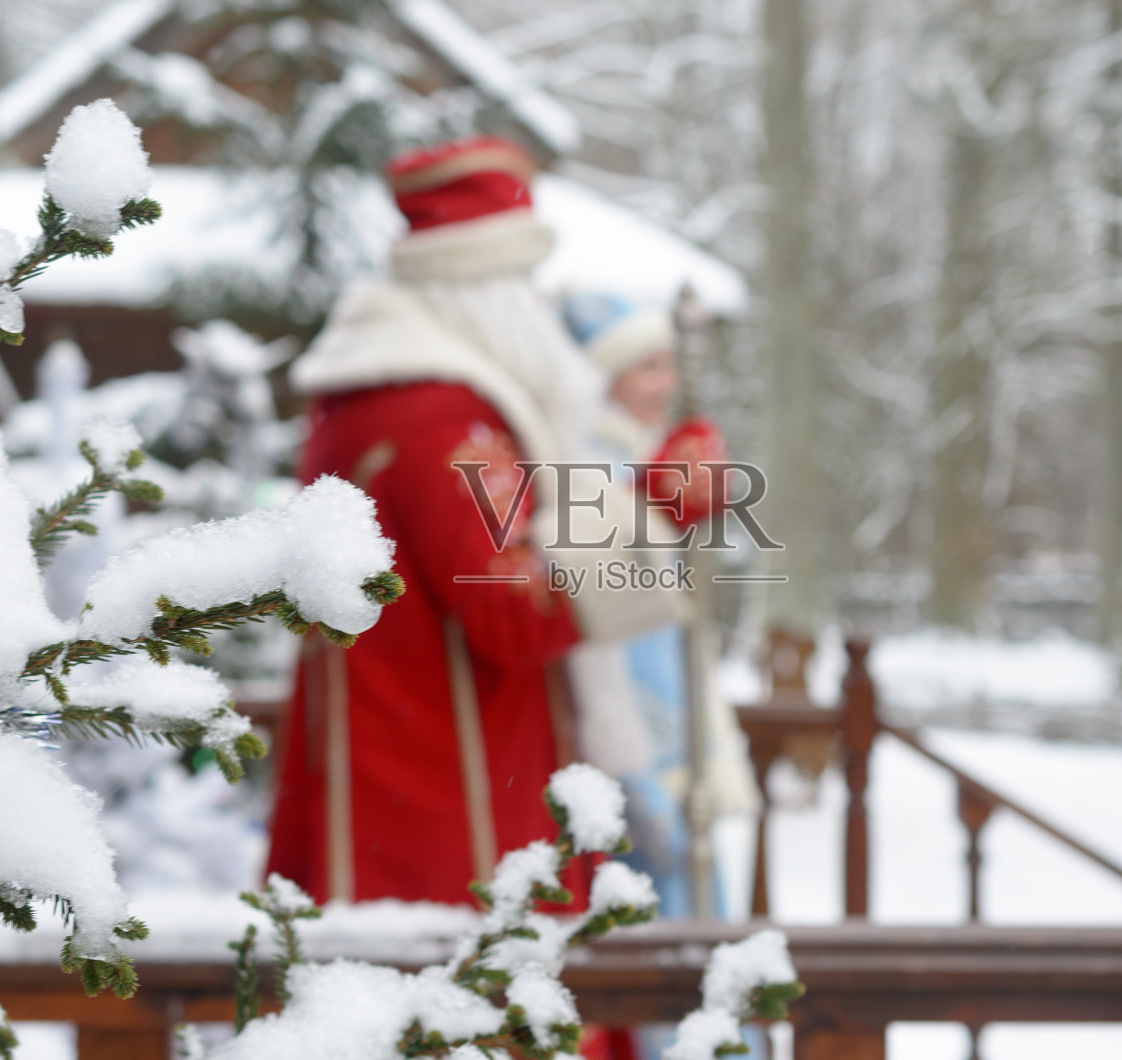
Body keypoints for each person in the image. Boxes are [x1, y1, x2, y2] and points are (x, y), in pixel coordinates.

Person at [266, 137, 685, 906]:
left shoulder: (371, 400)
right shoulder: (445, 420)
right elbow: (518, 608)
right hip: (455, 819)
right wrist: (654, 506)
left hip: (395, 787)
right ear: (485, 285)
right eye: (523, 280)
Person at [559, 291, 759, 923]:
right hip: (630, 730)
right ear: (604, 372)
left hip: (671, 714)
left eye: (670, 365)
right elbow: (599, 615)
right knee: (654, 908)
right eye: (648, 366)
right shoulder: (585, 467)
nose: (667, 383)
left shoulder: (642, 456)